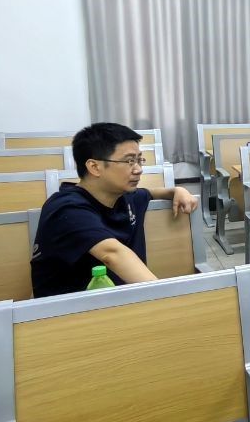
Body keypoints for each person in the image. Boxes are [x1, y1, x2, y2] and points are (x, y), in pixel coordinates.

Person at [30, 122, 198, 298]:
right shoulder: (65, 208)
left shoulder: (124, 196)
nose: (138, 169)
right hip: (69, 310)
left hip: (122, 301)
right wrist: (166, 299)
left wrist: (177, 190)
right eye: (129, 161)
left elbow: (150, 193)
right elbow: (112, 254)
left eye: (139, 160)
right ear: (94, 167)